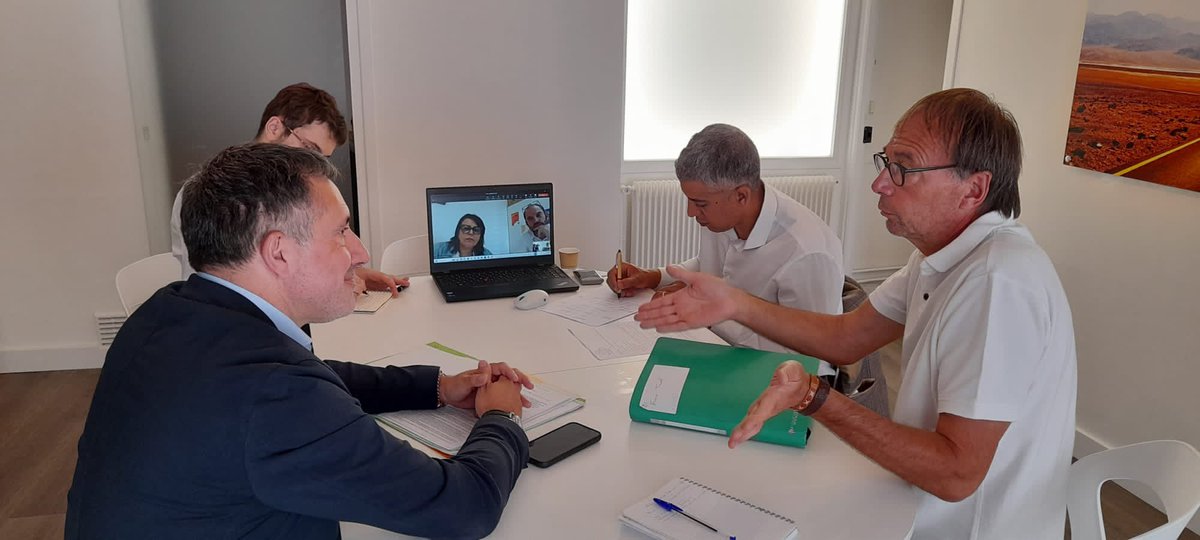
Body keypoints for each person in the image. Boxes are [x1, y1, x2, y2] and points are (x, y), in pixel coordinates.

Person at [635, 89, 1077, 539]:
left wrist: (816, 399)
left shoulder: (997, 282)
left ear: (974, 189)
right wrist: (735, 302)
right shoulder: (938, 257)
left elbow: (955, 474)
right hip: (912, 499)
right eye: (886, 162)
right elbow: (847, 337)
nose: (880, 183)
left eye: (903, 169)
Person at [67, 144, 532, 539]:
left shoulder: (170, 311)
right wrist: (501, 415)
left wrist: (437, 386)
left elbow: (313, 378)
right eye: (342, 231)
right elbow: (464, 507)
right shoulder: (274, 394)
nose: (361, 252)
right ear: (279, 252)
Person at [609, 123, 843, 378]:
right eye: (689, 200)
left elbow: (812, 355)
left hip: (780, 380)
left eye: (700, 204)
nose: (691, 213)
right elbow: (709, 264)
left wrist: (708, 314)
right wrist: (653, 277)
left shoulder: (807, 251)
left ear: (741, 196)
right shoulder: (723, 214)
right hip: (720, 351)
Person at [168, 82, 408, 296]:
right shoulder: (212, 194)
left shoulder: (295, 192)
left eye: (322, 158)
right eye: (309, 149)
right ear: (274, 127)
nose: (314, 165)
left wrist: (352, 274)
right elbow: (213, 289)